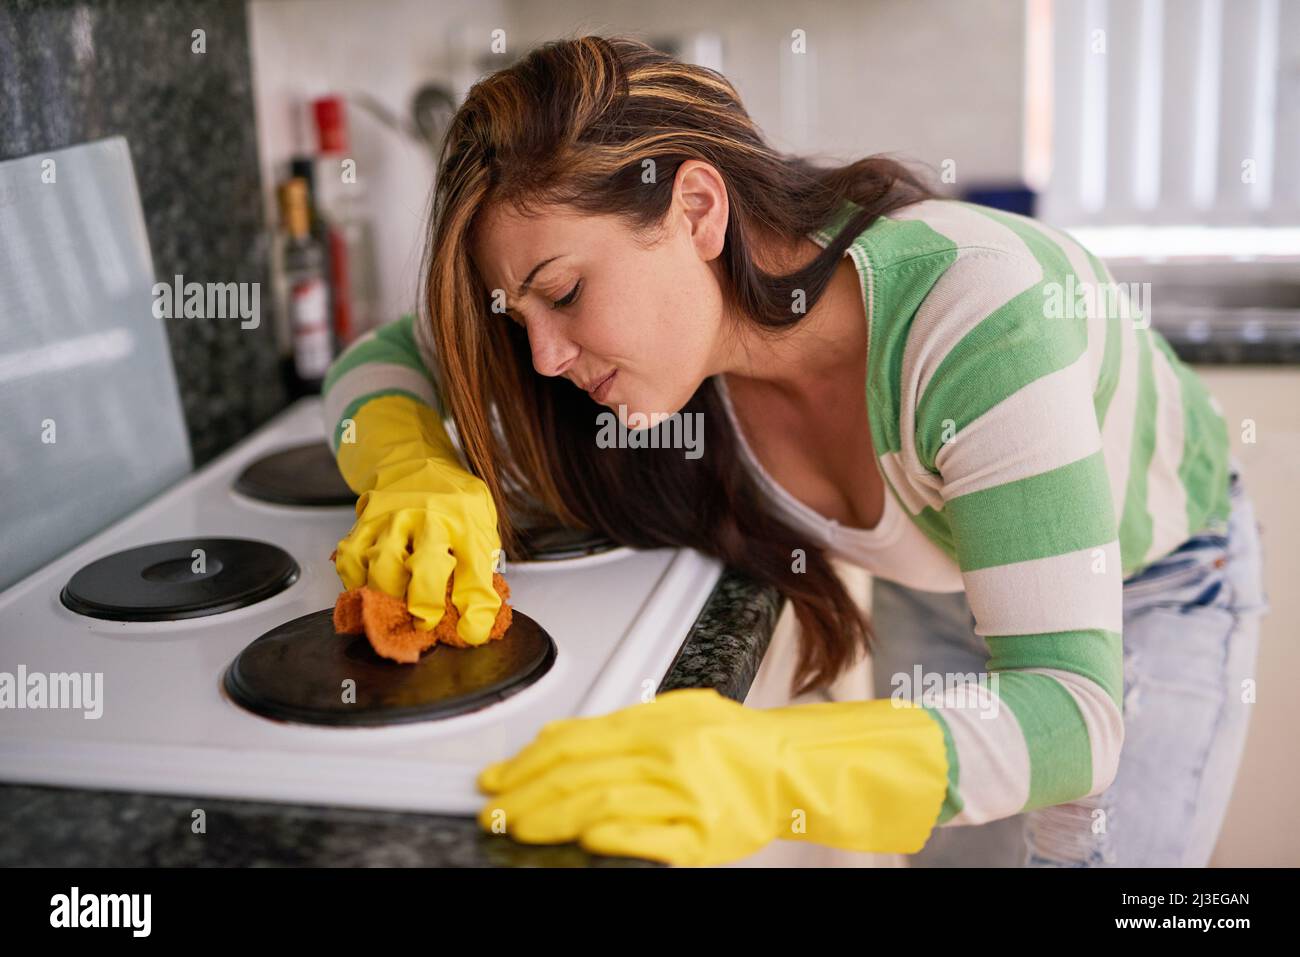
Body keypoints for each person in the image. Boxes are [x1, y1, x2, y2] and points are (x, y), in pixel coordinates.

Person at [322, 35, 1269, 867]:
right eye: (517, 312)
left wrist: (771, 768)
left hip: (1156, 581)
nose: (543, 357)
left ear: (695, 210)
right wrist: (416, 470)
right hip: (939, 581)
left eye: (563, 292)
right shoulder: (677, 354)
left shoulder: (983, 316)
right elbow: (375, 364)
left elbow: (1070, 718)